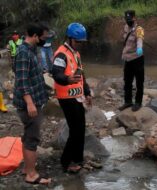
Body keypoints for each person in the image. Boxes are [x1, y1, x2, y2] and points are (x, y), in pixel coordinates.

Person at [13, 23, 51, 185]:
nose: (44, 40)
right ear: (35, 36)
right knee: (32, 139)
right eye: (43, 37)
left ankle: (26, 169)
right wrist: (30, 103)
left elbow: (29, 75)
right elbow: (22, 81)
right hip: (30, 104)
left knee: (27, 136)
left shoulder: (30, 50)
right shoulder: (23, 53)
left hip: (35, 99)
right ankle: (31, 174)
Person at [52, 23, 92, 173]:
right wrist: (67, 79)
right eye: (77, 42)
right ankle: (66, 162)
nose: (79, 45)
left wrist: (87, 92)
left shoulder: (76, 53)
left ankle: (78, 159)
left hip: (77, 96)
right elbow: (56, 74)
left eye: (81, 42)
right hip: (67, 98)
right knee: (75, 130)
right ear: (69, 38)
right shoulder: (61, 54)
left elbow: (81, 75)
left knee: (81, 128)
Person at [119, 10, 145, 112]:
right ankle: (128, 101)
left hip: (137, 59)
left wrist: (139, 48)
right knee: (127, 82)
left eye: (130, 19)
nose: (128, 21)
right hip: (128, 59)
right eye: (127, 19)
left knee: (139, 82)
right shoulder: (126, 27)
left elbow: (139, 40)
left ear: (134, 18)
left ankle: (138, 102)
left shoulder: (139, 29)